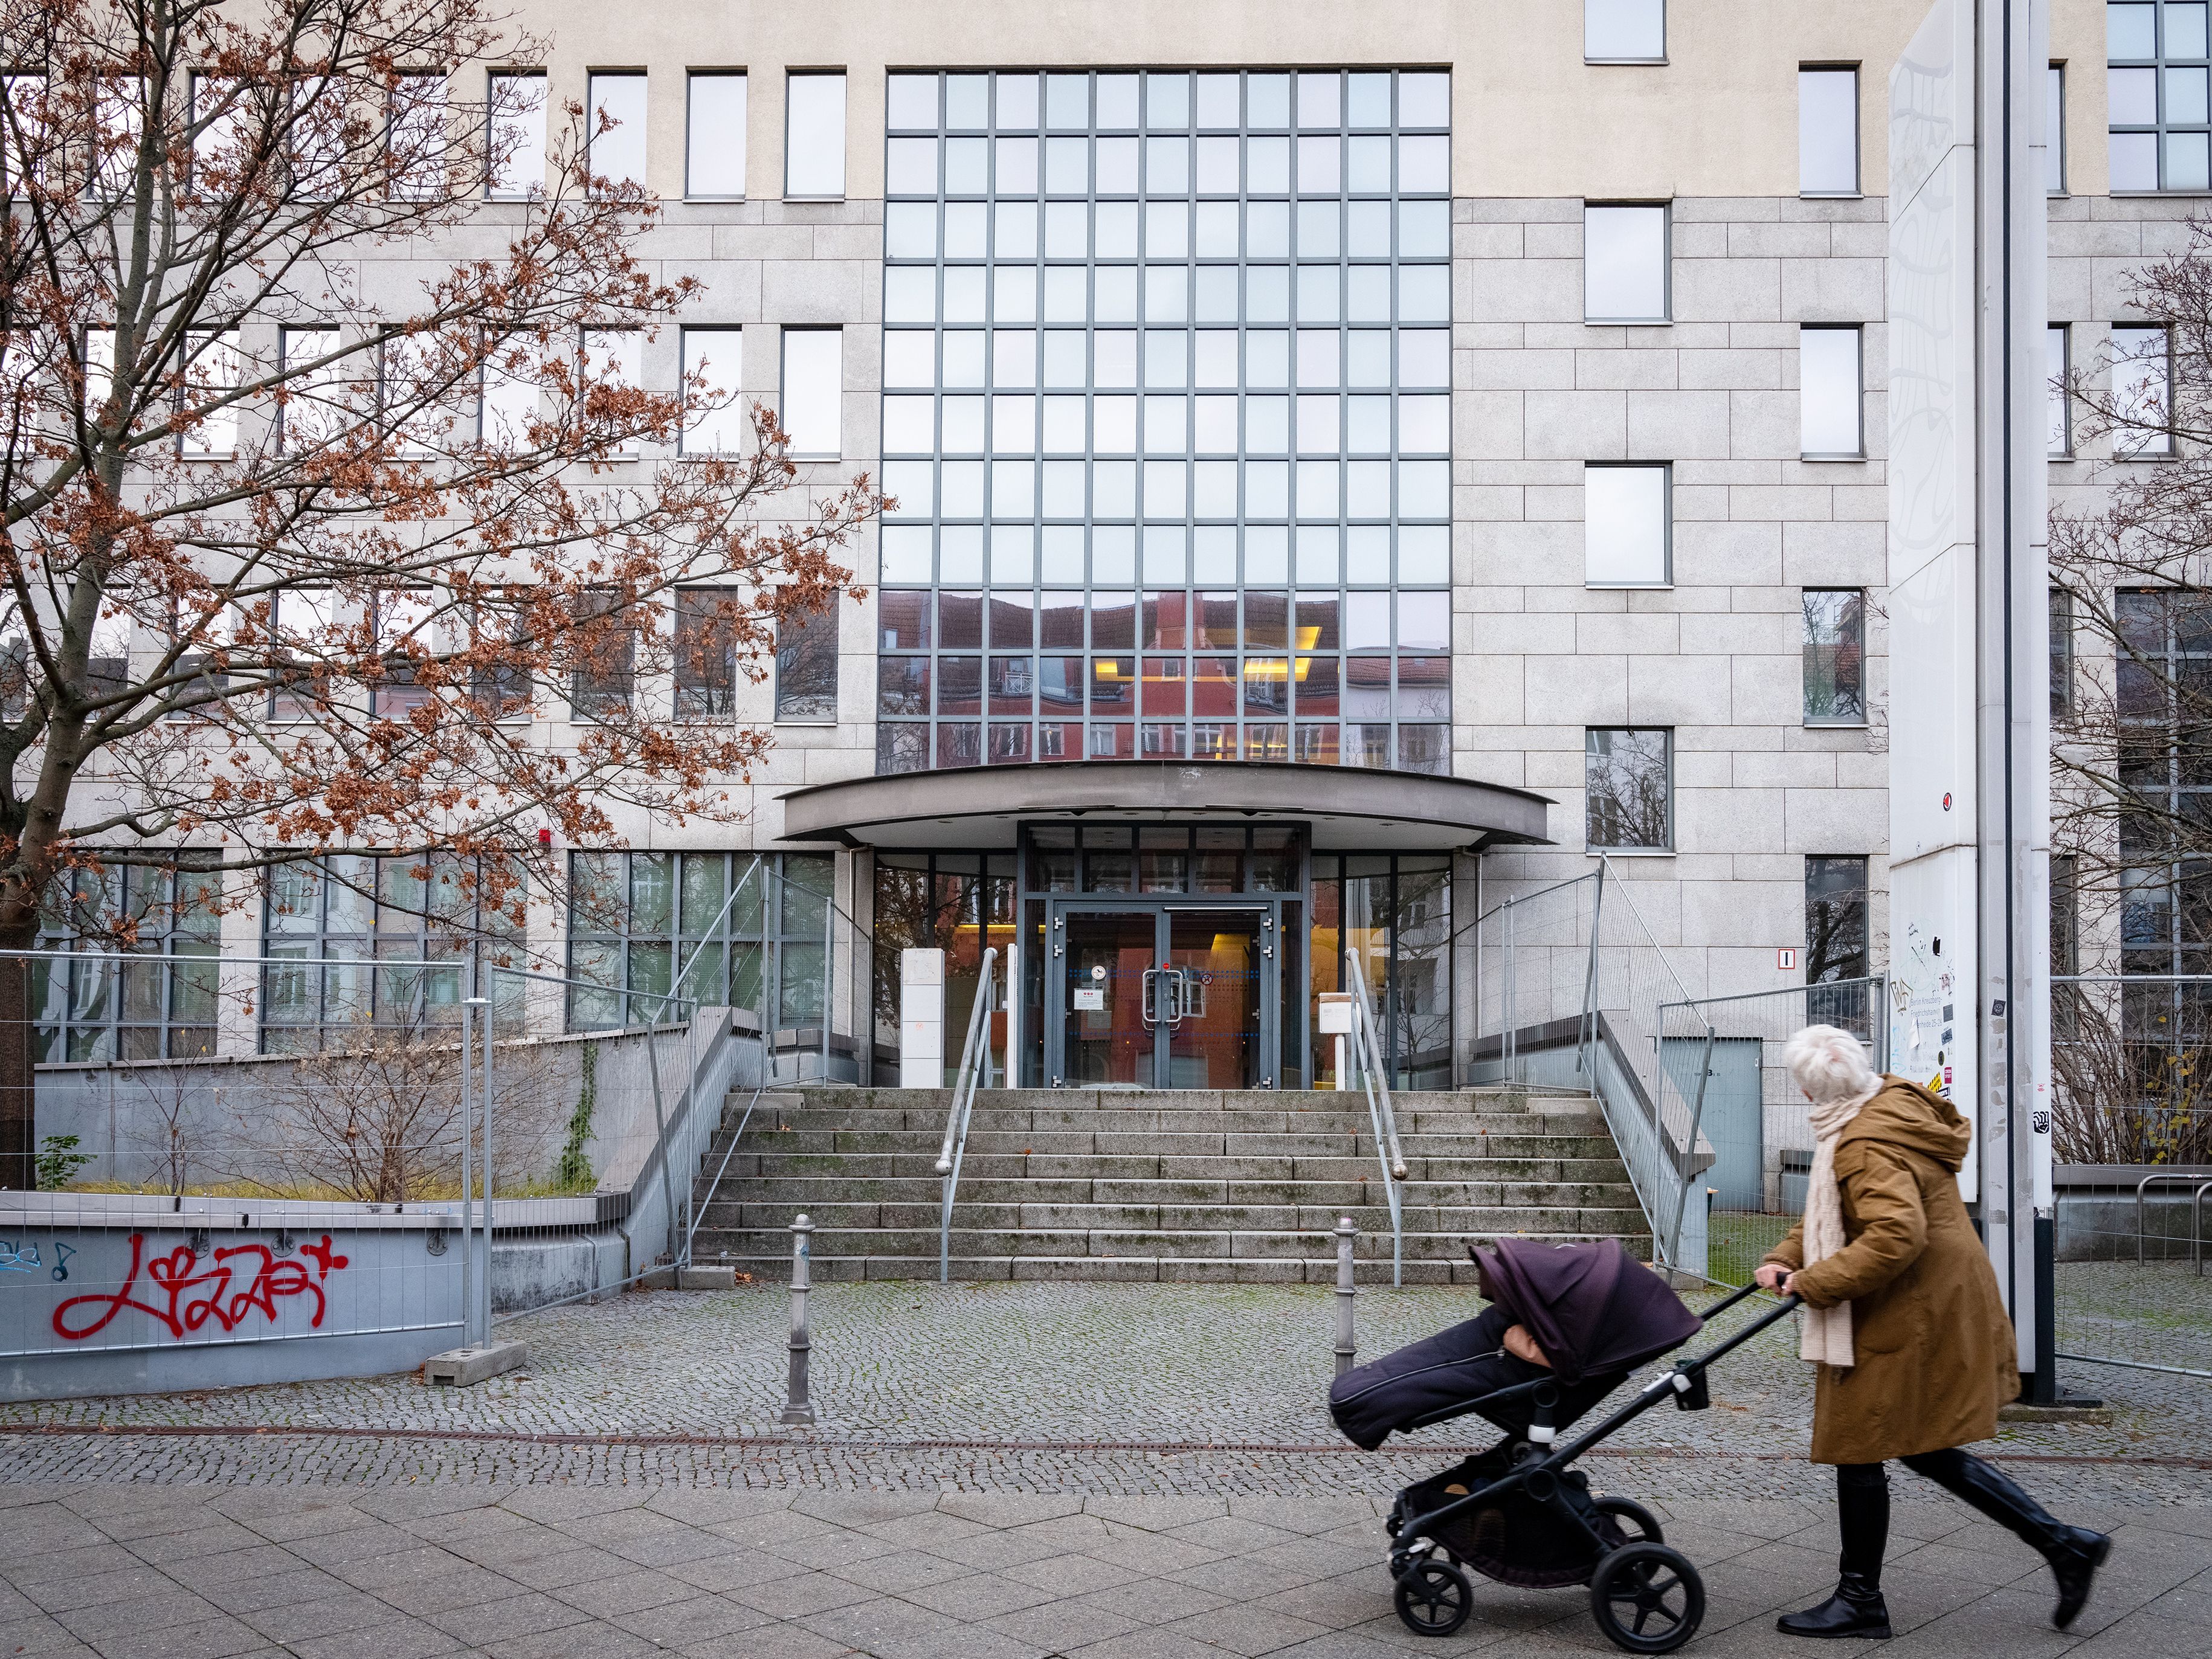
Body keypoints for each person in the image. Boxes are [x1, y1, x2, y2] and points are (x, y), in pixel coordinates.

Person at [1755, 1025, 2109, 1640]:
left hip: (1912, 1305)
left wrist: (1813, 1282)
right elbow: (1833, 1211)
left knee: (1857, 1440)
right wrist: (1787, 1255)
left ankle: (1860, 1601)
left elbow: (1894, 1235)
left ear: (1812, 1089)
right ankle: (2063, 1544)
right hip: (1929, 1296)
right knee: (1918, 1445)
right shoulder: (1886, 1102)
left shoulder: (1864, 1141)